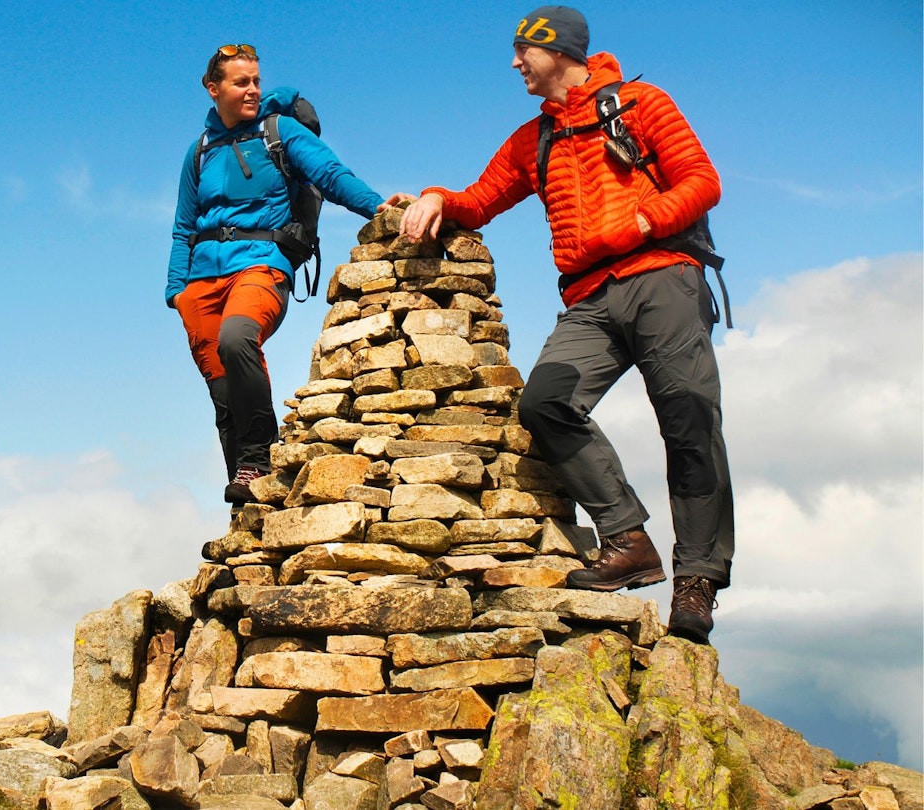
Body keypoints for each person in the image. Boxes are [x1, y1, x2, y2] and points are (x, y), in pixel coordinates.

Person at [385, 6, 732, 644]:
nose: (515, 63)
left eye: (524, 51)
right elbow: (481, 199)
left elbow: (702, 181)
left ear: (559, 50)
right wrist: (435, 196)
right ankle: (627, 540)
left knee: (688, 420)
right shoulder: (531, 139)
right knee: (545, 402)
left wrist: (637, 225)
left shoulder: (641, 102)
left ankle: (698, 579)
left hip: (663, 276)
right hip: (590, 299)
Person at [168, 44, 384, 506]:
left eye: (256, 81)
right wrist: (176, 291)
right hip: (201, 280)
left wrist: (379, 207)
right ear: (213, 89)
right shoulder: (199, 151)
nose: (251, 90)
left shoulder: (278, 131)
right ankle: (247, 495)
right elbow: (184, 224)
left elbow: (329, 172)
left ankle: (259, 458)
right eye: (240, 82)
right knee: (223, 393)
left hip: (261, 264)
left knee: (237, 338)